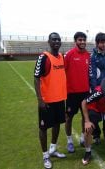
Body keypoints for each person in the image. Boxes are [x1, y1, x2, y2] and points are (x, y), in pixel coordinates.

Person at [34, 32, 67, 169]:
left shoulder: (61, 56)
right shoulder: (43, 57)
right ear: (49, 41)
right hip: (47, 101)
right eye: (54, 39)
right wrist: (40, 99)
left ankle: (53, 149)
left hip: (59, 99)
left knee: (57, 124)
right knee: (43, 128)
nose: (56, 41)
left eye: (58, 39)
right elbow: (36, 78)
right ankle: (45, 155)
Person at [64, 32, 90, 153]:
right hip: (71, 93)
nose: (82, 42)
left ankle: (82, 137)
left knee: (85, 117)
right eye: (80, 40)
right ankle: (69, 140)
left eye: (84, 40)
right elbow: (62, 72)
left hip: (85, 92)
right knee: (68, 118)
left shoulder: (88, 55)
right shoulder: (69, 55)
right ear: (75, 41)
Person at [89, 32, 105, 144]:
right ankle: (96, 134)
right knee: (94, 114)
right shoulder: (93, 57)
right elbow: (92, 74)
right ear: (97, 43)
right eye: (101, 42)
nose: (103, 44)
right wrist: (95, 89)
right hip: (97, 89)